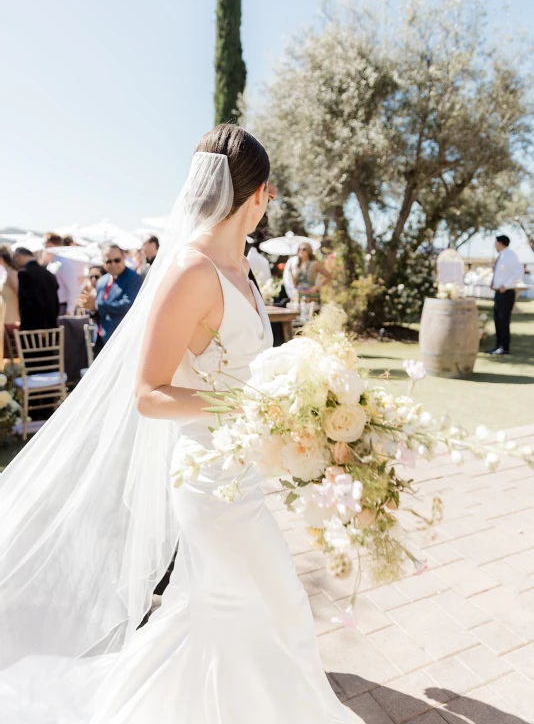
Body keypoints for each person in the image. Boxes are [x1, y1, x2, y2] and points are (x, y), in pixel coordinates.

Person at [0, 124, 360, 724]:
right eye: (268, 195)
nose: (269, 204)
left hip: (242, 470)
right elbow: (148, 394)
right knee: (278, 601)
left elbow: (247, 364)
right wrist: (241, 405)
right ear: (259, 194)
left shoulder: (243, 268)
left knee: (227, 609)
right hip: (205, 476)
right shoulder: (189, 273)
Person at [79, 244, 143, 355]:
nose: (113, 264)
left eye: (117, 260)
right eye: (109, 261)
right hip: (100, 337)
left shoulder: (134, 279)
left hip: (122, 338)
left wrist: (96, 305)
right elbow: (98, 309)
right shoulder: (102, 281)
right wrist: (91, 308)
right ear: (103, 262)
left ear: (123, 257)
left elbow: (128, 305)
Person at [488, 234, 523, 355]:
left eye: (496, 243)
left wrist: (506, 285)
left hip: (506, 293)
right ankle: (498, 345)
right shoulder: (502, 256)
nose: (495, 246)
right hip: (499, 292)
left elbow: (518, 272)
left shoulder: (510, 255)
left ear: (501, 243)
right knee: (497, 319)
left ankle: (504, 347)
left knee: (503, 319)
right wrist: (494, 283)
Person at [13, 246, 59, 330]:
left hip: (32, 329)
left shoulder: (24, 273)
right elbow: (56, 302)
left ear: (19, 257)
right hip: (51, 327)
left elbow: (27, 302)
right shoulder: (49, 273)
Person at [43, 232, 82, 316]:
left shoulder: (63, 263)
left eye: (44, 244)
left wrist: (69, 311)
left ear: (50, 245)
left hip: (62, 308)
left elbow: (73, 289)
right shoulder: (52, 263)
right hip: (54, 307)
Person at [290, 242, 331, 308]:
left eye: (304, 249)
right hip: (298, 297)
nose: (301, 251)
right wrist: (291, 273)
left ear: (309, 251)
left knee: (309, 317)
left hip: (311, 297)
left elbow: (329, 276)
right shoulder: (297, 265)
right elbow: (295, 284)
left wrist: (317, 287)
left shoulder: (315, 263)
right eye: (299, 249)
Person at [0, 243, 20, 325]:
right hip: (5, 317)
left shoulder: (11, 273)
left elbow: (19, 294)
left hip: (12, 318)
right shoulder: (6, 272)